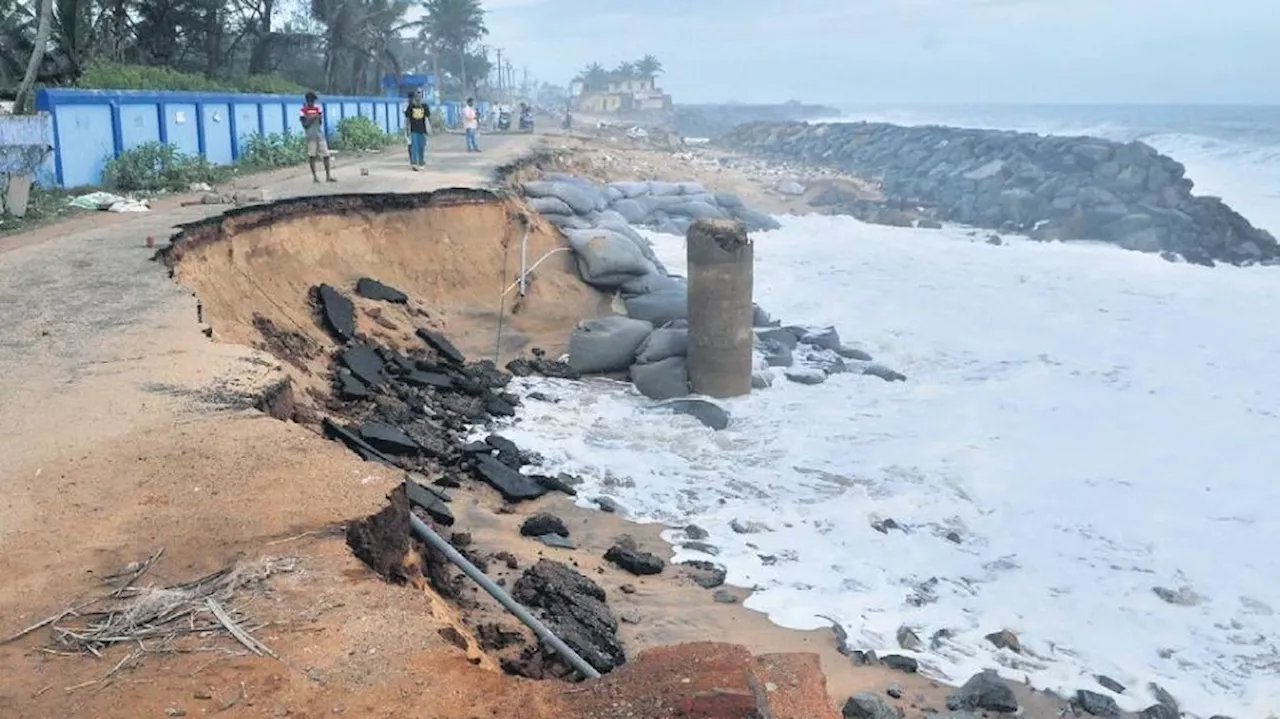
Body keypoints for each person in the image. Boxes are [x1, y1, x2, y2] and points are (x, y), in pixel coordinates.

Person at [299, 91, 336, 183]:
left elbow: (320, 122)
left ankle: (328, 176)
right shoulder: (303, 111)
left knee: (326, 155)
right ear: (308, 101)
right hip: (310, 136)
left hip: (319, 135)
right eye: (311, 101)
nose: (313, 103)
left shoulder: (317, 109)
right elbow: (305, 125)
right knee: (312, 156)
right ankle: (315, 177)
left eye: (313, 101)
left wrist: (317, 117)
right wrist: (312, 118)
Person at [403, 92, 430, 171]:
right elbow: (407, 119)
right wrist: (407, 129)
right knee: (414, 147)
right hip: (414, 130)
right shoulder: (410, 107)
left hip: (422, 130)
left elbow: (427, 118)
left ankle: (421, 162)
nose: (418, 98)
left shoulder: (425, 107)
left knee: (421, 147)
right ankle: (414, 163)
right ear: (414, 98)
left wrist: (429, 129)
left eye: (420, 97)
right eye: (417, 97)